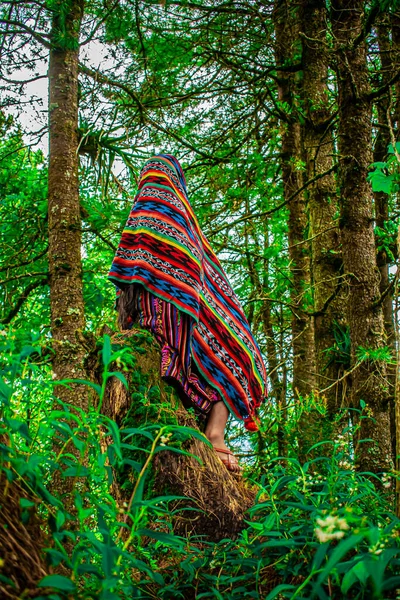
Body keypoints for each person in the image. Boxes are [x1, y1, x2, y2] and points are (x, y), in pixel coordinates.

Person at [108, 154, 267, 472]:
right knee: (240, 355)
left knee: (239, 353)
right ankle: (215, 435)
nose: (156, 189)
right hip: (156, 327)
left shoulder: (181, 224)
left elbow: (202, 280)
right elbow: (133, 279)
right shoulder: (159, 218)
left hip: (184, 326)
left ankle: (215, 435)